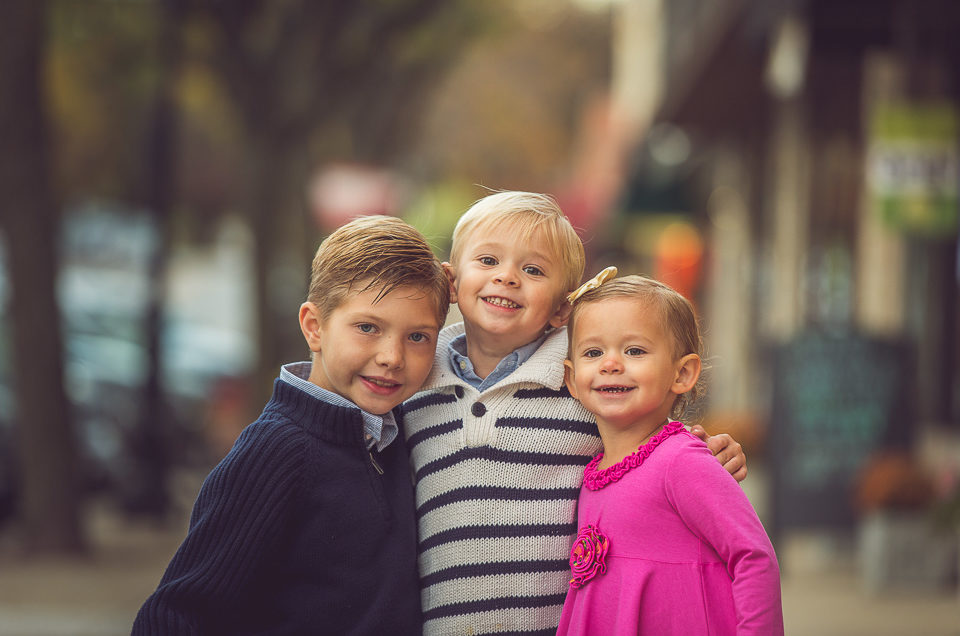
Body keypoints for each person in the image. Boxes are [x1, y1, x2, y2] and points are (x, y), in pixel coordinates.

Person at [402, 191, 748, 634]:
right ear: (451, 281)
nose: (507, 278)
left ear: (563, 308)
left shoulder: (582, 382)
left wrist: (709, 452)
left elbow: (649, 443)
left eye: (532, 270)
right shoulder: (416, 384)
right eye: (488, 261)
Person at [132, 216, 450, 635]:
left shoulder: (396, 435)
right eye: (367, 328)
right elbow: (174, 615)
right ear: (314, 327)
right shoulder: (276, 452)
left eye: (418, 337)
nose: (392, 356)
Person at [556, 271, 783, 635]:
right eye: (593, 352)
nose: (611, 363)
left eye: (635, 351)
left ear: (682, 373)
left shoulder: (682, 461)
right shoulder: (591, 470)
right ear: (571, 379)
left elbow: (753, 557)